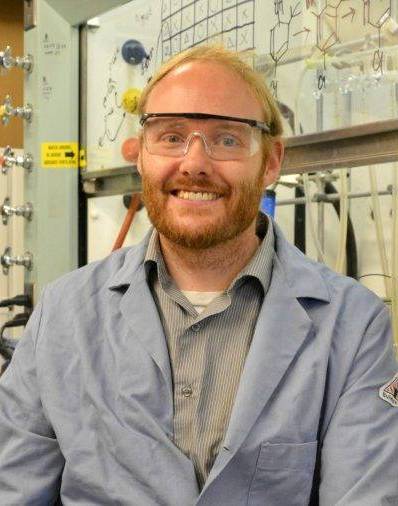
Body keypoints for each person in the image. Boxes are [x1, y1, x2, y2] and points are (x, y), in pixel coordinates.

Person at [0, 45, 397, 506]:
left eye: (227, 139)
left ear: (270, 162)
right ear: (141, 155)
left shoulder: (352, 327)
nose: (194, 163)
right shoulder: (63, 313)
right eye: (171, 136)